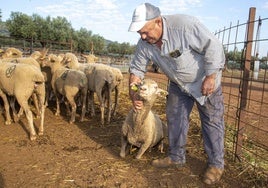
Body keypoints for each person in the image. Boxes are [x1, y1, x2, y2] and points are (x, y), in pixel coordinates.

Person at [128, 3, 225, 185]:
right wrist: (133, 91)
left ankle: (216, 164)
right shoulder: (144, 43)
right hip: (178, 84)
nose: (142, 36)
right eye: (139, 33)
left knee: (212, 122)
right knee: (175, 118)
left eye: (145, 31)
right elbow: (136, 69)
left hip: (205, 81)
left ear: (158, 22)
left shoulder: (184, 26)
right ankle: (176, 156)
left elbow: (213, 46)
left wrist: (211, 76)